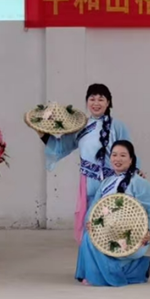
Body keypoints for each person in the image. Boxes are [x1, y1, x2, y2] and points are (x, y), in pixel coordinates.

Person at [40, 84, 137, 244]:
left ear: (108, 102)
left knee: (112, 222)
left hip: (113, 181)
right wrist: (42, 133)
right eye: (92, 99)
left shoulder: (118, 126)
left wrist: (135, 172)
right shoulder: (81, 126)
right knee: (91, 222)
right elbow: (61, 146)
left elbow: (129, 153)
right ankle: (91, 261)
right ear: (86, 102)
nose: (96, 103)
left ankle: (110, 262)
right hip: (88, 182)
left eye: (101, 99)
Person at [76, 140, 150, 286]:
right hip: (108, 231)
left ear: (131, 159)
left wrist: (147, 231)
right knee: (89, 236)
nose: (117, 159)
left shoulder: (140, 183)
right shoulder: (106, 182)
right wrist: (90, 223)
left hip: (131, 236)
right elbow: (94, 208)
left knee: (91, 242)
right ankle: (137, 267)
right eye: (114, 155)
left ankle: (106, 274)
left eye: (123, 155)